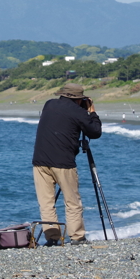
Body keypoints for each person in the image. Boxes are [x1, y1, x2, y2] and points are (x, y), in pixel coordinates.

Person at [32, 83, 102, 245]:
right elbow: (95, 132)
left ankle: (52, 238)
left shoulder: (49, 104)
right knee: (72, 202)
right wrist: (91, 112)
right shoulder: (78, 112)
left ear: (63, 95)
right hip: (63, 162)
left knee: (46, 203)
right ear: (79, 99)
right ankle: (77, 237)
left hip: (40, 160)